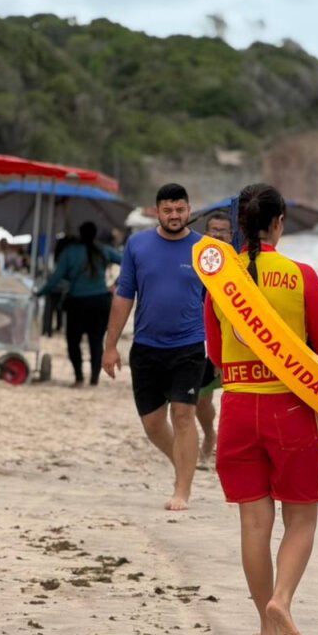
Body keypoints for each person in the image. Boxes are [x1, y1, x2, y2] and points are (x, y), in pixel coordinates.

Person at [205, 183, 318, 635]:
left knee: (253, 524)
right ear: (279, 222)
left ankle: (265, 629)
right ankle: (281, 600)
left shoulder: (221, 281)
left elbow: (217, 354)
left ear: (239, 224)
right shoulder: (301, 275)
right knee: (300, 518)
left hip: (239, 407)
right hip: (290, 407)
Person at [102, 183, 206, 512]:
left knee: (183, 415)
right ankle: (183, 463)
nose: (174, 215)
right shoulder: (138, 245)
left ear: (188, 210)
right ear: (157, 211)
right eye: (168, 210)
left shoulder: (206, 250)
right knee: (152, 424)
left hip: (189, 346)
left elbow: (223, 303)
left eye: (180, 209)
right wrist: (110, 346)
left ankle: (182, 490)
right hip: (146, 346)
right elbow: (123, 296)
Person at [36, 222, 122, 387]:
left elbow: (56, 278)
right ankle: (94, 379)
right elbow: (128, 262)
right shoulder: (103, 250)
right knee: (96, 342)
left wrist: (40, 292)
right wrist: (116, 284)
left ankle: (79, 377)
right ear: (95, 234)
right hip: (100, 301)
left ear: (80, 234)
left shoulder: (70, 252)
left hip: (77, 303)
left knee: (73, 341)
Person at [195, 211, 233, 466]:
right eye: (213, 230)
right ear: (205, 233)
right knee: (201, 398)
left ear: (232, 235)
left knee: (236, 397)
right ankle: (210, 433)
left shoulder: (240, 263)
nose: (218, 234)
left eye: (223, 230)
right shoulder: (198, 261)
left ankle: (230, 447)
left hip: (235, 340)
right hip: (202, 339)